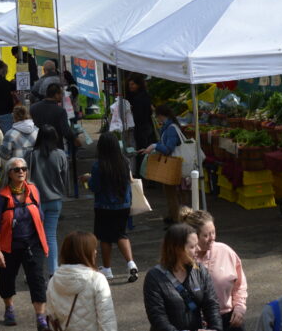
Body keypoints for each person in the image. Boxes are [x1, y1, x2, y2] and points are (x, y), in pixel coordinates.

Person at [0, 156, 50, 329]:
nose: (22, 172)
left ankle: (40, 317)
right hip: (9, 246)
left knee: (37, 280)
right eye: (17, 169)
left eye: (24, 168)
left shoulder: (33, 190)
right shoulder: (1, 196)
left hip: (33, 244)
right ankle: (9, 308)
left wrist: (43, 242)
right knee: (7, 280)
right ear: (9, 173)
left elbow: (41, 217)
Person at [143, 222, 222, 331]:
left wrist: (215, 328)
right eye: (193, 246)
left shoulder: (199, 270)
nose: (198, 249)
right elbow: (157, 316)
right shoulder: (154, 277)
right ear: (177, 249)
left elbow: (211, 304)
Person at [82, 132, 137, 283]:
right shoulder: (124, 162)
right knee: (121, 234)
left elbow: (95, 187)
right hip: (123, 205)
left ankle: (107, 269)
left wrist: (87, 179)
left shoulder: (98, 166)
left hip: (104, 206)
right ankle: (131, 263)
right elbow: (130, 180)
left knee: (105, 238)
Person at [181, 208, 246, 331]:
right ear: (194, 236)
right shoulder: (185, 259)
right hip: (199, 322)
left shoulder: (225, 251)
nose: (212, 238)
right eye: (206, 235)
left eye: (213, 232)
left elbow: (240, 284)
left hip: (230, 319)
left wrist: (239, 307)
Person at [46, 231, 117, 331]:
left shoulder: (53, 281)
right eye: (93, 249)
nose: (96, 252)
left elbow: (51, 318)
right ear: (86, 253)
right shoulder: (97, 279)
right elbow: (107, 320)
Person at [25, 125, 68, 277]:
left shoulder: (31, 155)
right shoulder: (61, 155)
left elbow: (26, 178)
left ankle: (34, 270)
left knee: (34, 236)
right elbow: (65, 178)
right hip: (56, 200)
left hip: (36, 202)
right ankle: (53, 271)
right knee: (50, 236)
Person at [138, 105, 187, 223]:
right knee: (171, 192)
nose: (157, 119)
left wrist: (155, 146)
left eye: (157, 116)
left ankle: (176, 219)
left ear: (161, 115)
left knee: (172, 194)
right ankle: (173, 216)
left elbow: (168, 149)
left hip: (172, 165)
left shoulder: (171, 128)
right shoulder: (169, 126)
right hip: (171, 164)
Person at [30, 83, 76, 150]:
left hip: (38, 147)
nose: (62, 96)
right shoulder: (60, 111)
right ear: (56, 95)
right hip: (56, 147)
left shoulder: (33, 108)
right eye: (61, 94)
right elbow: (66, 132)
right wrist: (74, 139)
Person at [126, 74, 155, 176]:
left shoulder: (139, 98)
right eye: (129, 84)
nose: (131, 86)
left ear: (138, 84)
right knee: (145, 149)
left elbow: (139, 115)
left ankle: (143, 174)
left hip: (142, 127)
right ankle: (146, 174)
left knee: (142, 150)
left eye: (133, 84)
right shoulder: (143, 95)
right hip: (146, 127)